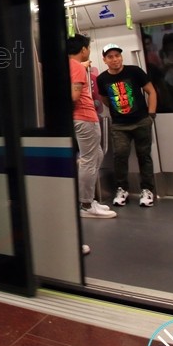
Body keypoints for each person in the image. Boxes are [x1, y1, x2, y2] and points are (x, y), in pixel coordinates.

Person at [96, 44, 158, 208]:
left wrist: (151, 115)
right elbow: (104, 99)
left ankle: (147, 190)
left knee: (144, 155)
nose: (115, 59)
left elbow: (151, 91)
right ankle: (122, 188)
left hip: (141, 121)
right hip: (119, 125)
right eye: (110, 57)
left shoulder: (134, 71)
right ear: (104, 60)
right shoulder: (102, 79)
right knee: (120, 156)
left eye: (117, 55)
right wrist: (118, 110)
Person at [67, 34, 116, 221]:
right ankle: (86, 204)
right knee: (89, 159)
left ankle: (89, 200)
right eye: (87, 48)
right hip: (85, 117)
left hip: (82, 118)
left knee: (98, 155)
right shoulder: (77, 67)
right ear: (83, 50)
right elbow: (74, 95)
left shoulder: (71, 66)